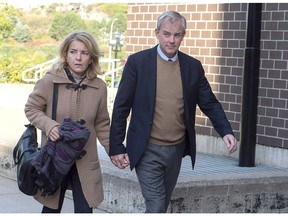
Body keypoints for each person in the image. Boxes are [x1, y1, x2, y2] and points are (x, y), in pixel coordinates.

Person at [109, 11, 238, 213]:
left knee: (162, 202)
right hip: (146, 149)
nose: (171, 40)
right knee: (157, 203)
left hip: (176, 150)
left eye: (177, 35)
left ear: (183, 35)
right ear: (157, 33)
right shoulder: (138, 63)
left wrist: (226, 131)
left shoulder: (192, 67)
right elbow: (121, 107)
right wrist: (116, 146)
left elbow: (209, 103)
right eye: (167, 34)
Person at [25, 30, 110, 213]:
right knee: (51, 210)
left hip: (85, 159)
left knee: (85, 209)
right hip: (56, 158)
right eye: (73, 52)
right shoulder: (49, 81)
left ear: (91, 57)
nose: (78, 58)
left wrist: (115, 151)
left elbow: (102, 123)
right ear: (66, 54)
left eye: (84, 53)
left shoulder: (99, 87)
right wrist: (50, 125)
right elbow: (31, 109)